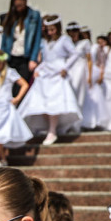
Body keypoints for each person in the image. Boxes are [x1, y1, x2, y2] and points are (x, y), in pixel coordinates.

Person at [18, 15, 82, 145]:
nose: (50, 32)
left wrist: (66, 67)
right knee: (42, 103)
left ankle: (52, 130)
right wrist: (38, 69)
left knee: (55, 103)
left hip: (58, 74)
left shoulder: (64, 40)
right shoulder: (44, 42)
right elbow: (46, 58)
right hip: (45, 73)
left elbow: (75, 54)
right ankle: (48, 128)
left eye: (53, 29)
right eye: (48, 29)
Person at [0, 0, 43, 82]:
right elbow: (5, 38)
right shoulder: (11, 17)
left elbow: (37, 39)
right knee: (10, 85)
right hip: (11, 56)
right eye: (16, 6)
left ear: (25, 1)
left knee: (22, 86)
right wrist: (2, 57)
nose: (18, 8)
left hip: (24, 57)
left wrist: (33, 59)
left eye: (20, 5)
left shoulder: (34, 16)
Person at [82, 35, 109, 130]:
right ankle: (86, 120)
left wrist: (101, 73)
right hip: (84, 70)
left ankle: (95, 119)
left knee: (94, 93)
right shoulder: (83, 46)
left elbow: (101, 62)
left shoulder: (95, 47)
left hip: (93, 71)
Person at [66, 22, 91, 111]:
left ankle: (79, 112)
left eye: (74, 32)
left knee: (77, 90)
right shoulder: (67, 43)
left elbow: (89, 60)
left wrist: (90, 75)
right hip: (69, 69)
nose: (72, 35)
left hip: (80, 69)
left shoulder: (85, 42)